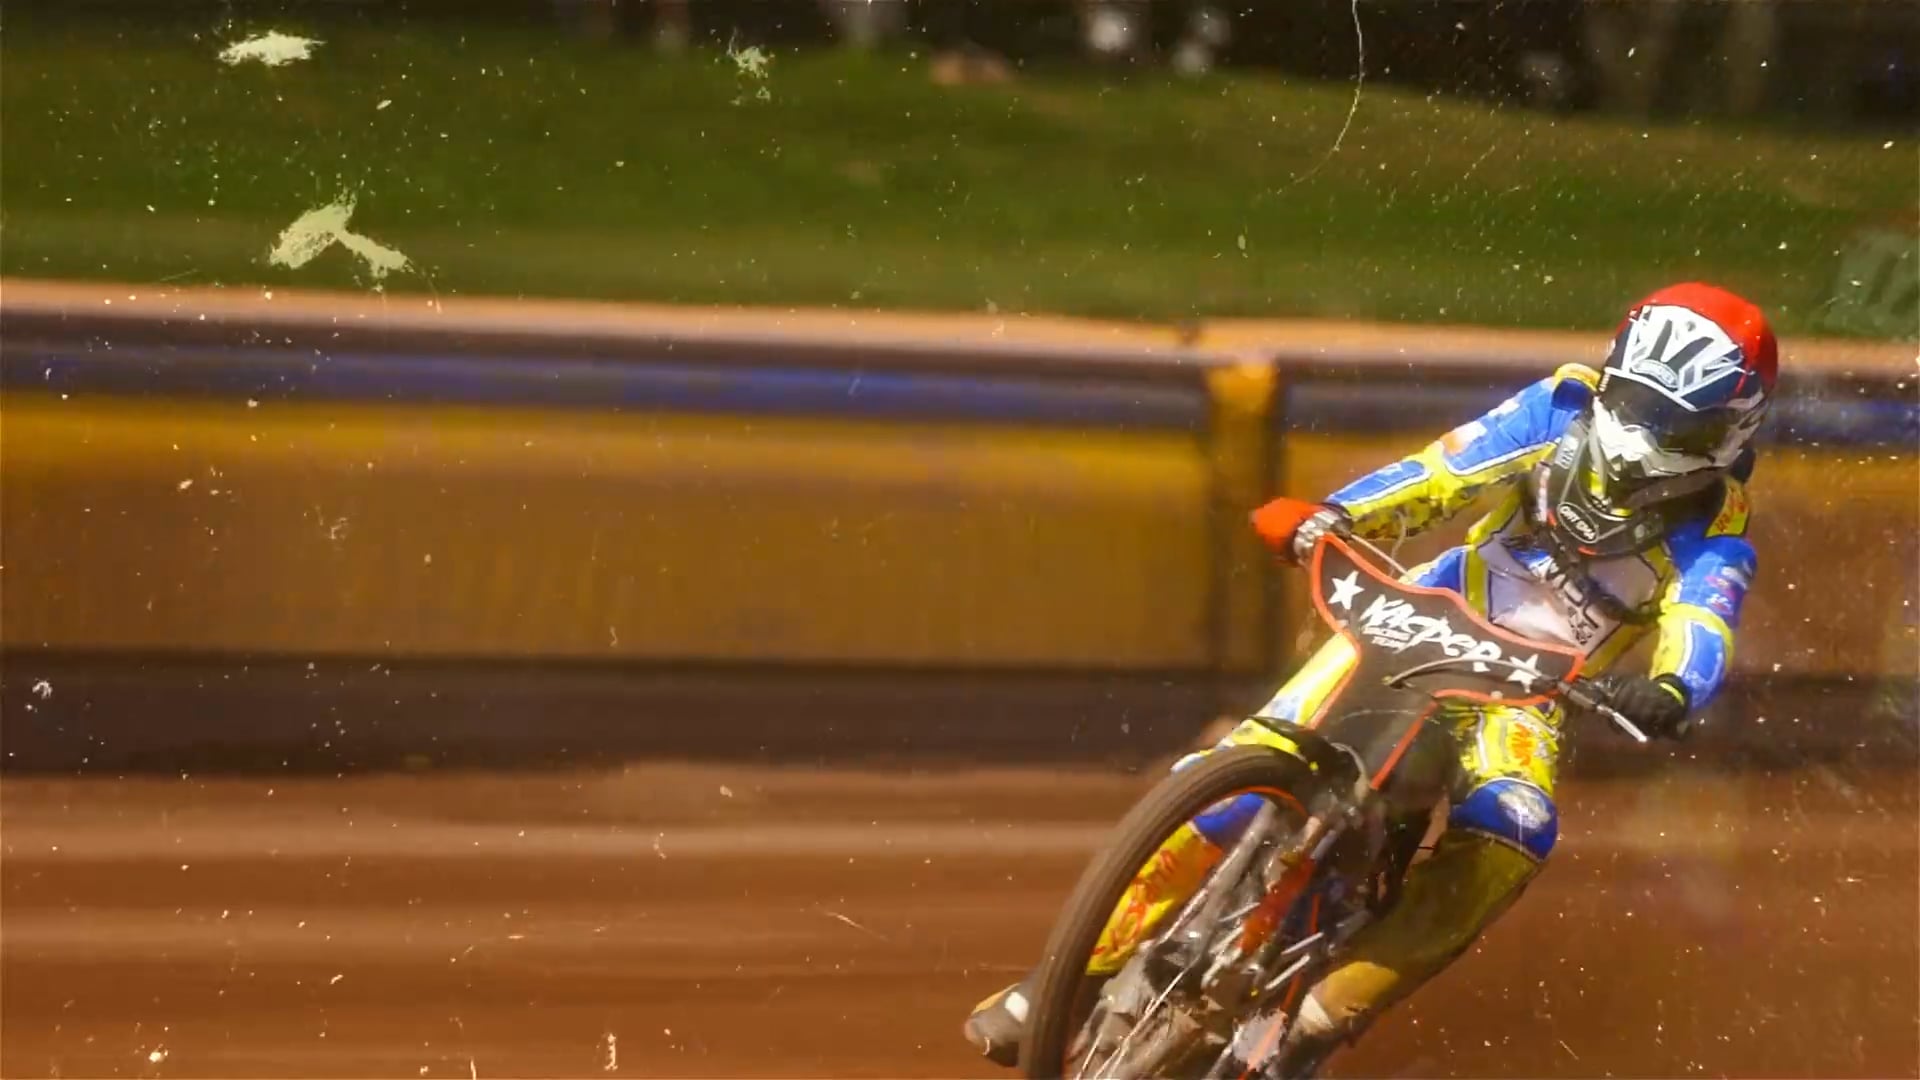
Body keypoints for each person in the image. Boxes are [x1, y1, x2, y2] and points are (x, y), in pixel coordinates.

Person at [964, 281, 1778, 1076]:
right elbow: (1440, 474)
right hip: (1418, 617)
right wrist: (1337, 516)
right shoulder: (1557, 410)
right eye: (1637, 403)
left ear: (1730, 430)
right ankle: (1071, 979)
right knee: (1238, 768)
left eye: (1675, 421)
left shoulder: (1717, 530)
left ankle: (1324, 1016)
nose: (1643, 437)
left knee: (1515, 834)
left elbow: (1703, 620)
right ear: (1612, 376)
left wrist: (1673, 690)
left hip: (1529, 696)